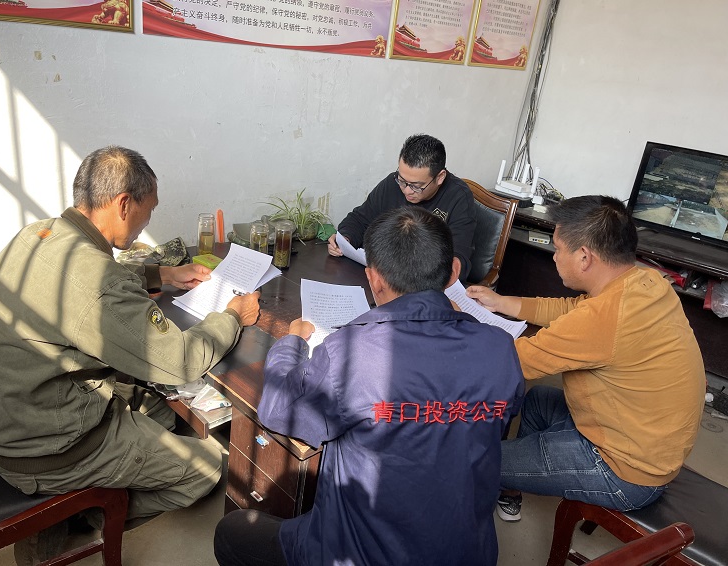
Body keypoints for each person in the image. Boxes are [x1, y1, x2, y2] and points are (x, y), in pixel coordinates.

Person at [0, 146, 260, 565]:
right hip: (49, 448)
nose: (147, 222)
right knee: (209, 467)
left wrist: (162, 273)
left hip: (4, 417)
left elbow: (82, 281)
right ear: (123, 204)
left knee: (162, 412)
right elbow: (180, 362)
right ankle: (82, 512)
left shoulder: (40, 235)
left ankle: (86, 493)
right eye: (148, 211)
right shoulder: (98, 280)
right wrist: (232, 316)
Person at [214, 207, 525, 566]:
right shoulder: (500, 348)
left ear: (373, 279)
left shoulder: (352, 351)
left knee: (232, 532)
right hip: (469, 553)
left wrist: (291, 343)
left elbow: (278, 409)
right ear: (453, 271)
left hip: (359, 555)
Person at [467, 195, 706, 523]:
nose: (554, 257)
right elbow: (573, 309)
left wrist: (454, 330)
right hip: (643, 439)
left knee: (476, 460)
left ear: (584, 257)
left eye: (557, 249)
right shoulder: (646, 282)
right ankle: (511, 490)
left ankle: (498, 478)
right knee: (538, 401)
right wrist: (501, 302)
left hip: (624, 471)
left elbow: (510, 363)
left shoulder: (604, 319)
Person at [327, 134, 477, 281]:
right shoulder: (392, 183)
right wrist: (345, 238)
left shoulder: (459, 198)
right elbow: (360, 218)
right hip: (382, 276)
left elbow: (458, 258)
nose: (407, 191)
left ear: (440, 177)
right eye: (402, 180)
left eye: (416, 186)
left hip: (422, 282)